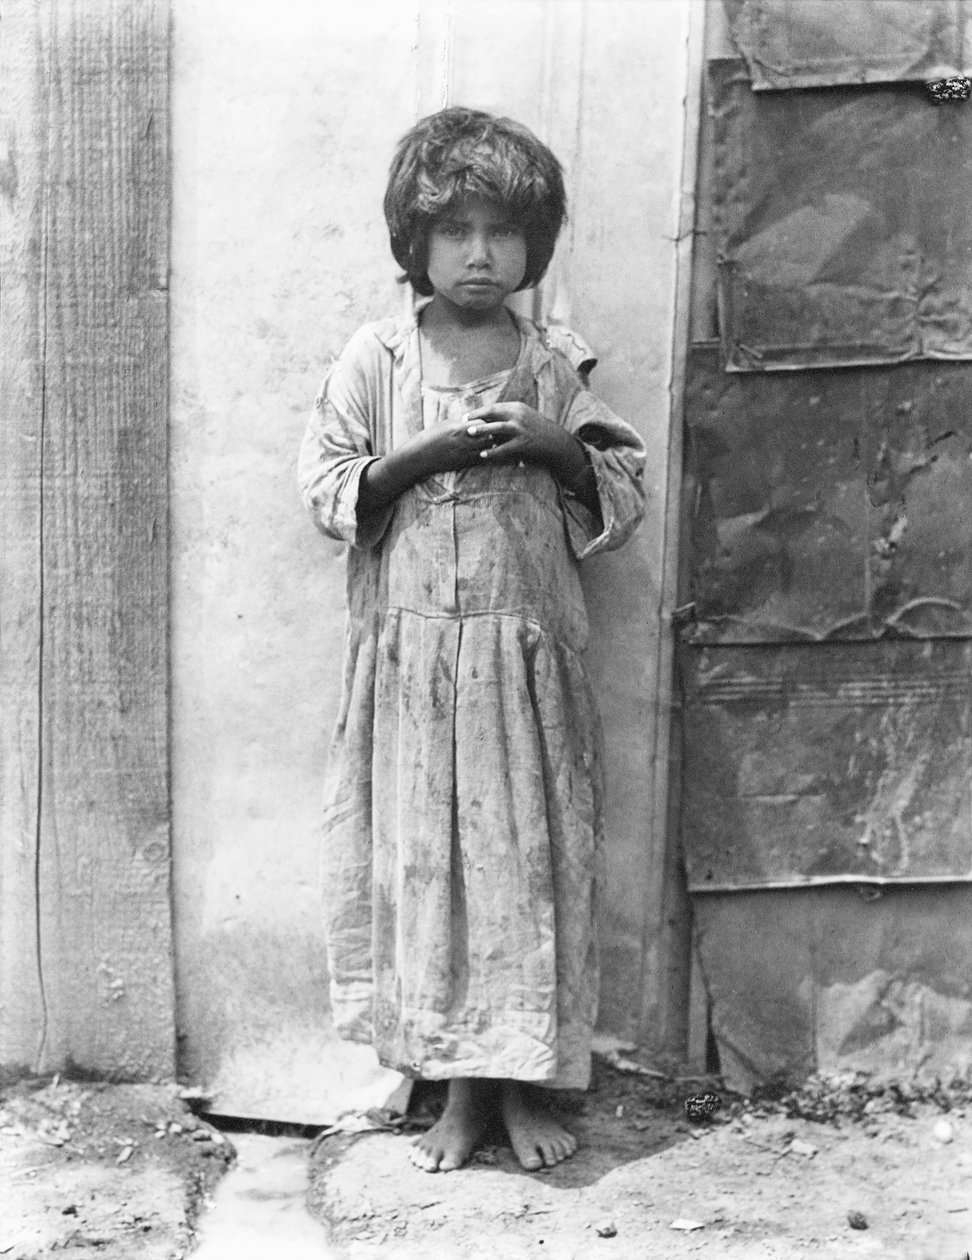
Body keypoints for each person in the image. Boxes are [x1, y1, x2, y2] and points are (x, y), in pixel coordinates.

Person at [298, 106, 646, 1174]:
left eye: (503, 233)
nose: (481, 256)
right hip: (412, 676)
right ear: (417, 242)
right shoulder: (379, 357)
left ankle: (520, 1091)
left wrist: (555, 449)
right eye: (457, 233)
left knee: (518, 873)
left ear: (533, 244)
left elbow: (623, 493)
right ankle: (451, 1097)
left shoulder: (552, 363)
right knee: (426, 873)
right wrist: (417, 457)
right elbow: (324, 488)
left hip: (521, 673)